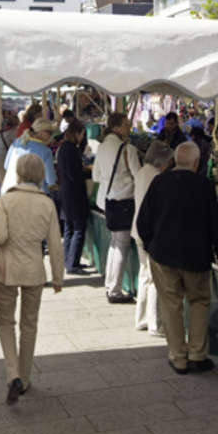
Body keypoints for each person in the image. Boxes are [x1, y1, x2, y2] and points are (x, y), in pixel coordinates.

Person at [137, 142, 218, 375]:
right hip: (196, 257)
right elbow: (215, 226)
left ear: (174, 161)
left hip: (163, 255)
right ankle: (198, 355)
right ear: (197, 163)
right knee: (199, 302)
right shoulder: (204, 185)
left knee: (172, 306)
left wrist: (150, 245)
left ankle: (178, 357)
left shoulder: (159, 182)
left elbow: (143, 220)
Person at [0, 153, 65, 405]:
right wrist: (58, 277)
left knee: (5, 322)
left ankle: (12, 374)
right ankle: (25, 376)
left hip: (7, 269)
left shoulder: (7, 199)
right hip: (34, 270)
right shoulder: (47, 203)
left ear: (19, 173)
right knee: (29, 325)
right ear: (41, 175)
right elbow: (55, 244)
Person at [92, 112, 141, 304]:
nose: (128, 127)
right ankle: (115, 289)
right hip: (124, 200)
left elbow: (96, 176)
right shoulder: (127, 148)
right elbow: (138, 174)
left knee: (114, 243)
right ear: (117, 127)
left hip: (107, 200)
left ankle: (110, 283)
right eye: (126, 124)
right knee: (121, 245)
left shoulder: (102, 147)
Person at [132, 141, 173, 336]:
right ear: (161, 161)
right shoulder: (156, 177)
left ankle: (141, 319)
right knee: (156, 278)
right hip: (150, 232)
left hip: (138, 230)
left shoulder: (142, 172)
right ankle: (155, 323)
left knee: (144, 275)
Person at [57, 119, 90, 275]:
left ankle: (68, 260)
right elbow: (75, 174)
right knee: (78, 228)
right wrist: (87, 172)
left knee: (69, 228)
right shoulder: (71, 150)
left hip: (66, 193)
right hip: (74, 194)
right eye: (82, 134)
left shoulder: (64, 148)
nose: (83, 138)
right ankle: (73, 264)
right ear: (76, 133)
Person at [0, 119, 57, 196]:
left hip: (8, 190)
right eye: (50, 133)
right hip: (34, 195)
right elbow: (50, 180)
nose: (51, 135)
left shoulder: (16, 142)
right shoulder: (45, 151)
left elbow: (6, 165)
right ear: (41, 132)